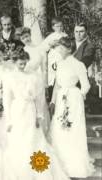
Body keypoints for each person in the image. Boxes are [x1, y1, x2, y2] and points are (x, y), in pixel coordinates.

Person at [3, 50, 70, 180]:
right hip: (17, 110)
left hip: (30, 110)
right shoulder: (9, 77)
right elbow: (7, 99)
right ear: (14, 62)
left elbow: (39, 98)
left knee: (34, 138)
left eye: (24, 63)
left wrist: (39, 115)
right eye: (20, 64)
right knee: (19, 139)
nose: (23, 66)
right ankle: (19, 172)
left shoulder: (34, 76)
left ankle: (38, 169)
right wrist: (9, 120)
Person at [50, 37, 94, 179]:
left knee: (72, 129)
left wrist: (78, 96)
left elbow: (86, 85)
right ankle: (60, 164)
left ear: (69, 49)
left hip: (73, 99)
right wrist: (53, 101)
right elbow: (57, 84)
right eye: (59, 48)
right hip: (61, 98)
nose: (59, 50)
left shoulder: (78, 64)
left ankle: (74, 165)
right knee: (60, 129)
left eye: (62, 48)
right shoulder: (60, 64)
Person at [41, 17, 68, 101]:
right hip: (53, 59)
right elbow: (43, 47)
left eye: (61, 26)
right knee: (52, 78)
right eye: (57, 26)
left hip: (62, 58)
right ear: (53, 27)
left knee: (61, 78)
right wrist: (50, 44)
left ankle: (61, 98)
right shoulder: (51, 36)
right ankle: (52, 98)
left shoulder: (65, 35)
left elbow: (69, 46)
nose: (59, 28)